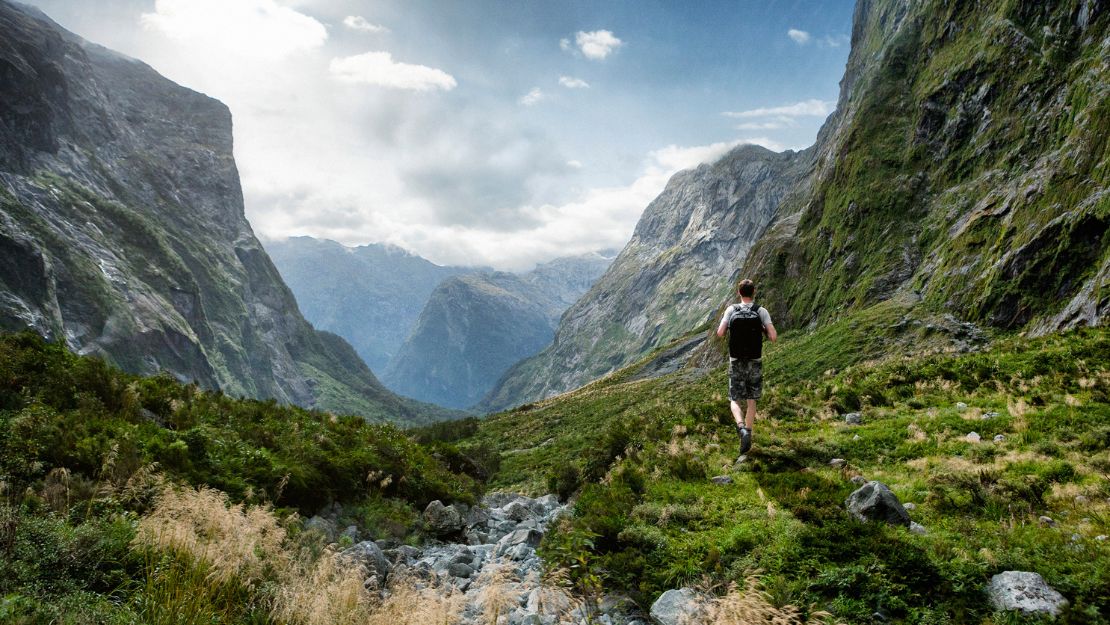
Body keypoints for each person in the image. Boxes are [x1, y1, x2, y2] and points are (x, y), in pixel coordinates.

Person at [716, 279, 776, 455]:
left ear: (739, 292)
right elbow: (773, 337)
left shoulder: (731, 310)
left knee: (734, 399)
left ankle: (741, 428)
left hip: (736, 360)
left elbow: (720, 333)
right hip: (755, 360)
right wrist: (763, 329)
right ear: (754, 292)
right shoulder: (761, 311)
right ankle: (748, 433)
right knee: (751, 400)